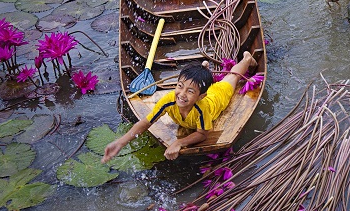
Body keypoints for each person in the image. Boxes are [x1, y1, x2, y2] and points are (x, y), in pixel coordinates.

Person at [102, 51, 257, 162]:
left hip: (217, 97)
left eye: (190, 91)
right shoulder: (169, 100)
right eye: (180, 86)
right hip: (202, 91)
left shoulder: (202, 108)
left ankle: (246, 59)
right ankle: (203, 71)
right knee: (198, 81)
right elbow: (145, 123)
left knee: (233, 77)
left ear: (200, 96)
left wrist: (179, 142)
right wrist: (120, 142)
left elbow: (202, 134)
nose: (182, 94)